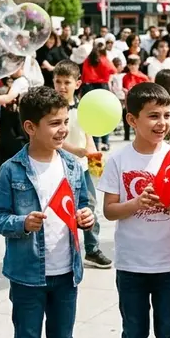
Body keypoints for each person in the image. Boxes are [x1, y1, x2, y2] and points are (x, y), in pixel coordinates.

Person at [0, 86, 96, 338]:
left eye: (65, 122)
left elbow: (84, 204)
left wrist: (86, 216)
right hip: (27, 277)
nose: (63, 130)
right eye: (54, 123)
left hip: (66, 274)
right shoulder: (12, 170)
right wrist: (22, 223)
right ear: (30, 127)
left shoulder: (73, 166)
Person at [97, 83, 170, 338]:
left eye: (166, 115)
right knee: (134, 335)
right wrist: (137, 203)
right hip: (131, 266)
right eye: (153, 116)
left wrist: (167, 201)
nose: (161, 123)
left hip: (168, 264)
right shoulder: (118, 160)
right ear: (132, 120)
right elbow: (110, 211)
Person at [53, 60, 111, 269]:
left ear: (77, 84)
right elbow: (53, 139)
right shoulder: (52, 110)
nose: (61, 86)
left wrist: (93, 156)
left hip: (82, 168)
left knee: (90, 207)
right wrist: (74, 151)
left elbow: (88, 134)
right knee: (62, 209)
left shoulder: (83, 109)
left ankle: (92, 249)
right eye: (58, 81)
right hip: (59, 168)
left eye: (66, 82)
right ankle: (64, 250)